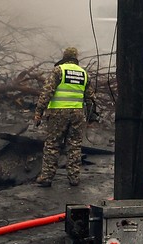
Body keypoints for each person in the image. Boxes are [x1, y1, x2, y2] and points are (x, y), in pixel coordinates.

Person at [33, 47, 96, 187]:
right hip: (77, 114)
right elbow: (90, 98)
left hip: (58, 113)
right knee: (74, 145)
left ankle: (47, 177)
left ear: (65, 57)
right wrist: (92, 117)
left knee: (52, 144)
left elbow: (46, 93)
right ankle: (74, 177)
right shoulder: (84, 74)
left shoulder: (58, 70)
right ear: (76, 58)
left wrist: (39, 112)